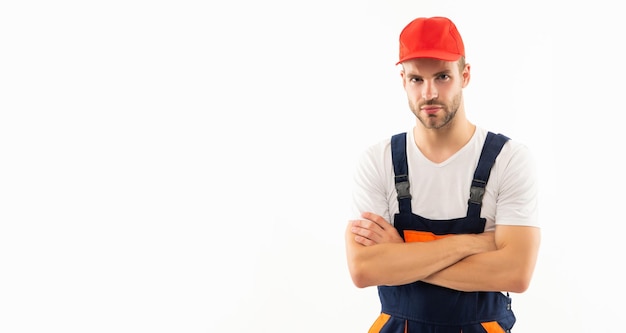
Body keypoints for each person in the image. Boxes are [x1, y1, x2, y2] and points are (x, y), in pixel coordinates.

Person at [344, 16, 541, 333]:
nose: (429, 93)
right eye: (416, 80)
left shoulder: (508, 160)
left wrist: (399, 256)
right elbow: (363, 269)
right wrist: (471, 245)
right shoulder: (377, 162)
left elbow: (516, 273)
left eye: (442, 77)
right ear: (403, 80)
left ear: (465, 75)